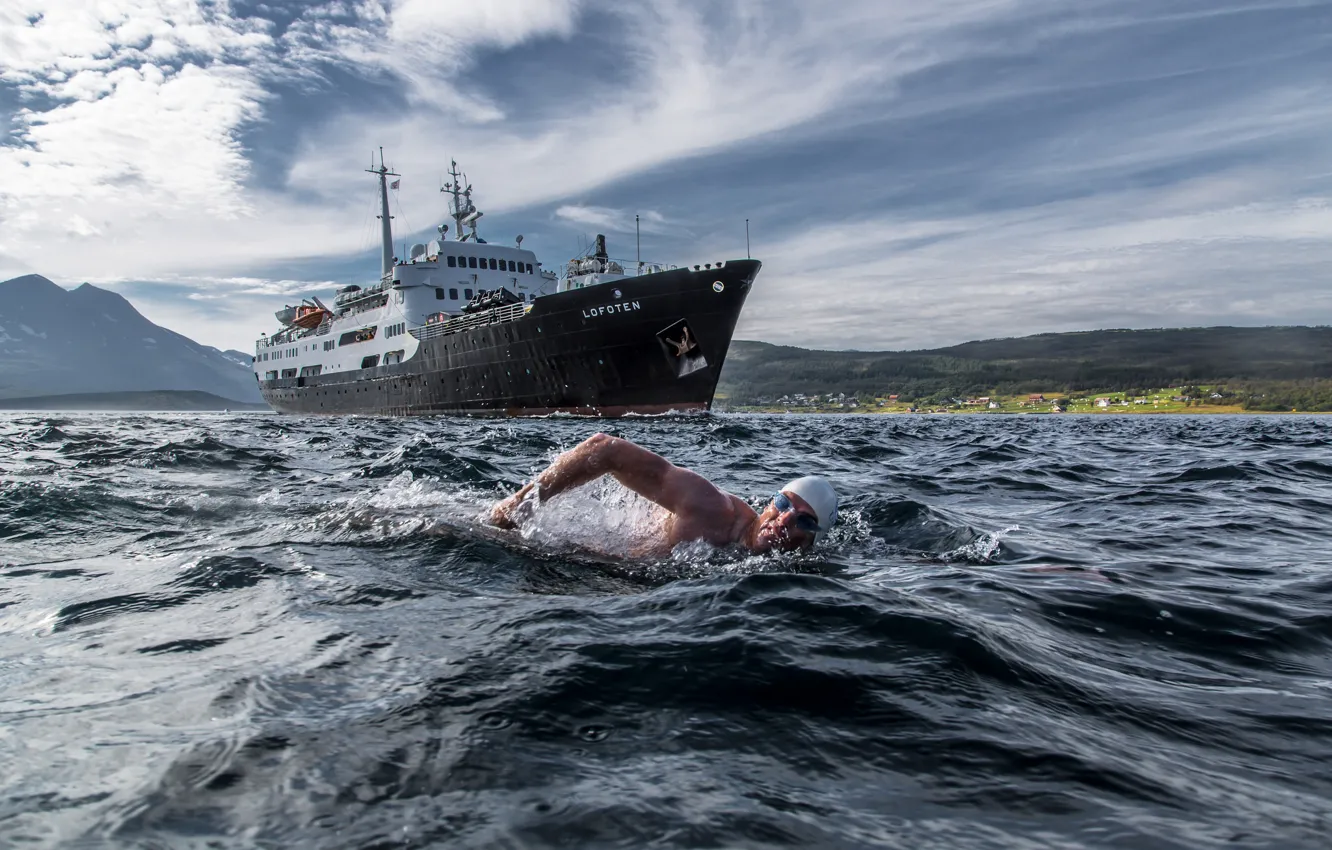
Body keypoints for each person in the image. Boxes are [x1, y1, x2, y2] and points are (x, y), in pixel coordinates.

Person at [488, 433, 838, 554]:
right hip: (582, 560)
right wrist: (518, 507)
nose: (785, 520)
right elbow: (605, 448)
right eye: (783, 504)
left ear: (811, 542)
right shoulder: (711, 508)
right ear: (768, 503)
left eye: (804, 521)